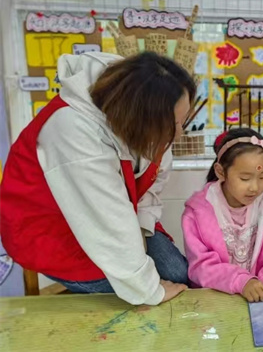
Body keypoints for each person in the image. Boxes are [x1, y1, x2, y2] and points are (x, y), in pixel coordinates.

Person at [0, 52, 193, 305]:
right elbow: (105, 218)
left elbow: (151, 183)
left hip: (113, 215)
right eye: (173, 124)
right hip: (51, 228)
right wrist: (149, 291)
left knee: (177, 274)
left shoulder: (146, 120)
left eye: (182, 121)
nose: (178, 134)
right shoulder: (72, 128)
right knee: (135, 297)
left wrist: (143, 229)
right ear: (141, 117)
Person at [182, 128, 263, 303]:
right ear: (220, 172)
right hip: (212, 298)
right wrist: (241, 281)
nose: (254, 187)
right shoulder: (199, 212)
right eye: (245, 178)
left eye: (262, 177)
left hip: (257, 300)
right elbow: (201, 266)